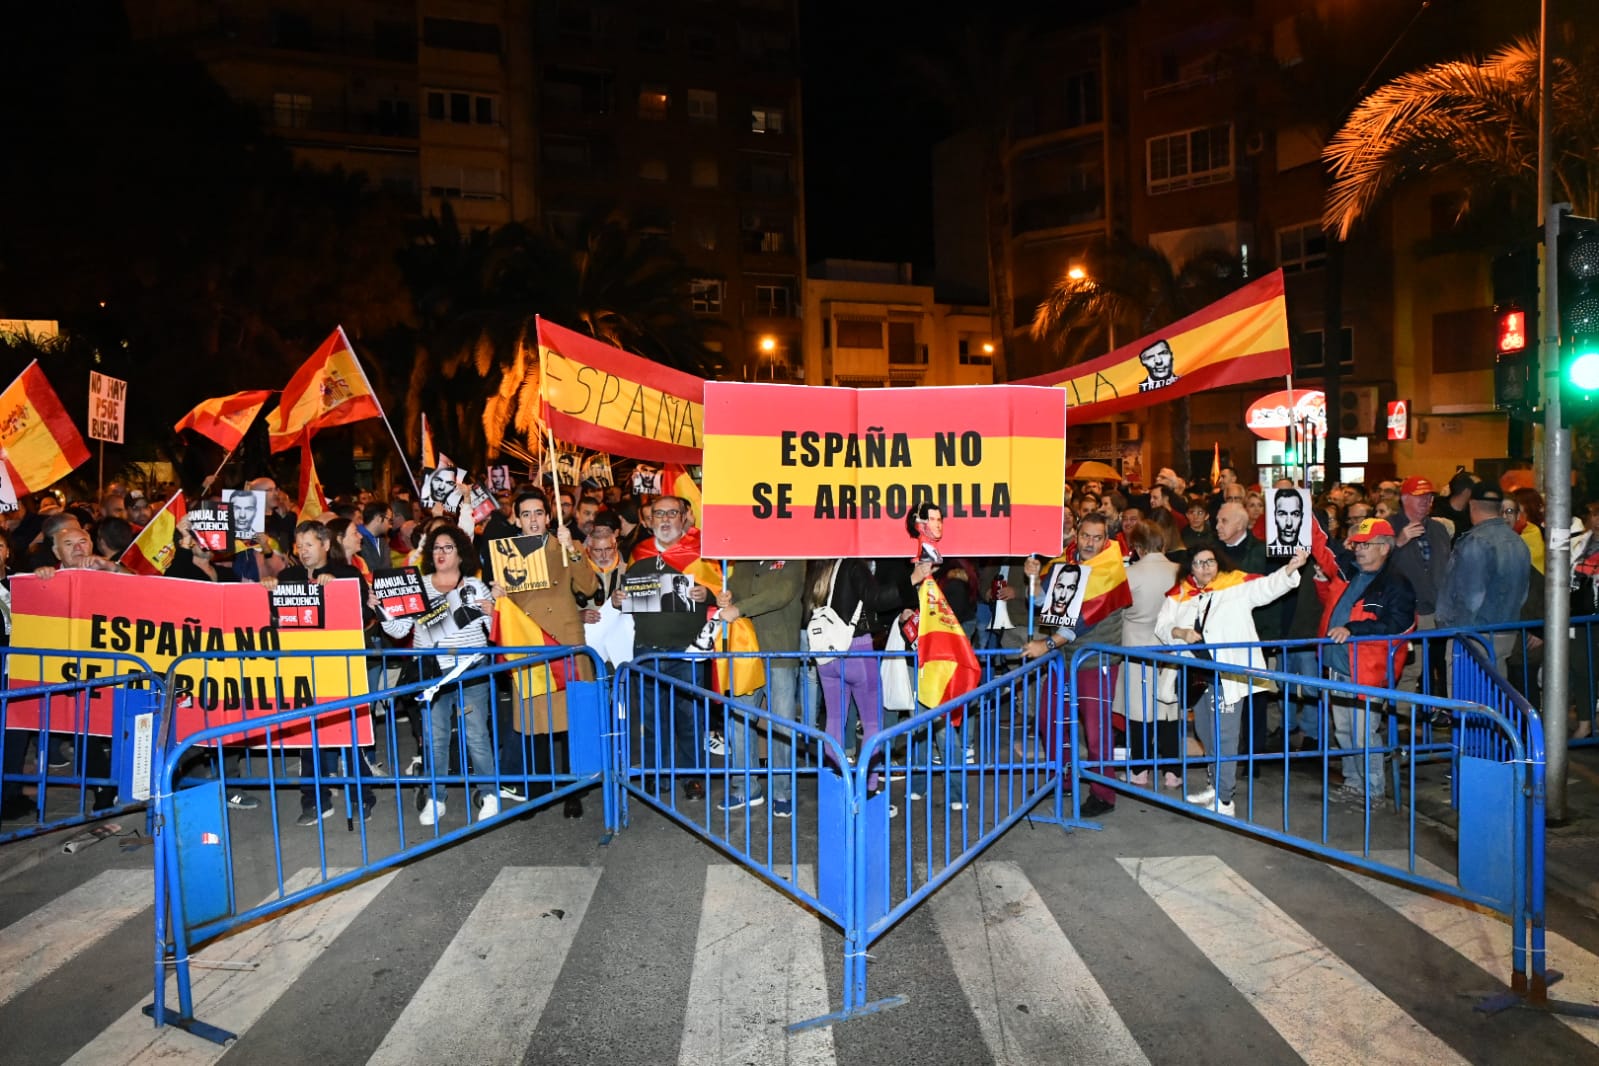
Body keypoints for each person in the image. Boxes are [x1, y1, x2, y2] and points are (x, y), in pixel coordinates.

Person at [1156, 544, 1308, 817]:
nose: (1205, 567)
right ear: (1190, 568)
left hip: (1228, 675)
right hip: (1197, 676)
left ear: (1218, 563)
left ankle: (1225, 799)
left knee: (1225, 736)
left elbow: (1268, 587)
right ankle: (1215, 785)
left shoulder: (1236, 585)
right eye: (1199, 562)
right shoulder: (1179, 594)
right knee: (1205, 733)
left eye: (1210, 561)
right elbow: (1162, 626)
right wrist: (1179, 632)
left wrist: (1290, 568)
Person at [378, 524, 500, 827]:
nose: (441, 553)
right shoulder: (417, 586)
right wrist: (381, 610)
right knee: (435, 737)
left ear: (461, 554)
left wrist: (494, 611)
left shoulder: (475, 586)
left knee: (476, 734)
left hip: (471, 669)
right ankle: (436, 796)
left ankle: (490, 792)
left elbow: (497, 630)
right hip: (431, 672)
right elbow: (399, 630)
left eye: (448, 547)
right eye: (436, 548)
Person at [489, 489, 596, 816]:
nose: (533, 519)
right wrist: (497, 596)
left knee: (569, 723)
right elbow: (505, 606)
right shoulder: (505, 555)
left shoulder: (567, 547)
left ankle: (573, 790)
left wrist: (572, 551)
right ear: (517, 519)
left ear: (548, 517)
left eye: (538, 513)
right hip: (529, 644)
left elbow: (589, 588)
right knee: (534, 721)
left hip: (565, 642)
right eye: (526, 514)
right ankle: (536, 791)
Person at [263, 521, 378, 825]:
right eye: (299, 547)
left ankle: (362, 797)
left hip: (341, 668)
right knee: (307, 738)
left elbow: (365, 615)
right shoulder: (287, 577)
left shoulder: (347, 574)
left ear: (325, 545)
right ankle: (314, 801)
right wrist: (269, 589)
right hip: (301, 669)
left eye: (309, 545)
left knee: (349, 735)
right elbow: (272, 618)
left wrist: (335, 590)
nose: (302, 552)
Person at [1019, 513, 1124, 818]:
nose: (1090, 543)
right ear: (1077, 534)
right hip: (1064, 660)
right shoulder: (1065, 561)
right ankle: (1062, 778)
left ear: (1106, 539)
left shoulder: (1110, 569)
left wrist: (1046, 645)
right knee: (1050, 720)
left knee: (1096, 730)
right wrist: (1035, 579)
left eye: (1097, 537)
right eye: (1086, 535)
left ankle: (1104, 793)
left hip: (1094, 660)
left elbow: (1079, 623)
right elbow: (1043, 604)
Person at [1309, 517, 1416, 804]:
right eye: (1356, 543)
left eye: (1365, 545)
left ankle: (1373, 791)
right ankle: (1354, 784)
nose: (1358, 549)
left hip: (1366, 671)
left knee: (1363, 734)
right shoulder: (1350, 573)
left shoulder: (1397, 584)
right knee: (1344, 731)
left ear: (1384, 547)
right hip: (1338, 665)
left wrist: (1355, 630)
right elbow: (1322, 549)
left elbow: (1400, 625)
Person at [617, 494, 711, 799]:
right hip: (647, 648)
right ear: (649, 520)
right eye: (659, 514)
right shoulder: (638, 553)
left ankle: (692, 775)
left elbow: (723, 591)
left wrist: (706, 593)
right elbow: (628, 598)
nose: (666, 519)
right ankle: (656, 773)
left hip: (689, 650)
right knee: (651, 716)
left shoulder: (701, 553)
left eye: (673, 513)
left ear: (684, 518)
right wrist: (618, 600)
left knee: (690, 715)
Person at [715, 557, 805, 816]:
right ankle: (745, 787)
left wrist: (739, 608)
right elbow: (732, 594)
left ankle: (782, 791)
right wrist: (726, 598)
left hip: (779, 653)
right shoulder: (743, 562)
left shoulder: (793, 559)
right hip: (745, 653)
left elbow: (781, 594)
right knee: (739, 722)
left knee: (781, 724)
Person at [1435, 483, 1531, 676]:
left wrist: (1453, 629)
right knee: (1494, 692)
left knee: (1467, 697)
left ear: (1472, 505)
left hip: (1473, 636)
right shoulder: (1517, 541)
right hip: (1506, 630)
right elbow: (1523, 592)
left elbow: (1470, 598)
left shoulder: (1476, 541)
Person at [1113, 524, 1182, 789]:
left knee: (1139, 711)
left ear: (1137, 547)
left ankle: (1140, 769)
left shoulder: (1129, 574)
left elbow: (1119, 611)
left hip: (1136, 646)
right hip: (1170, 647)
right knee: (1169, 709)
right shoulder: (1178, 571)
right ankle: (1173, 772)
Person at [1269, 489, 1305, 554]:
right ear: (1275, 516)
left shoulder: (1312, 556)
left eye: (1295, 514)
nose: (1289, 523)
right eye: (1282, 514)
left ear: (1302, 517)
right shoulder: (1262, 553)